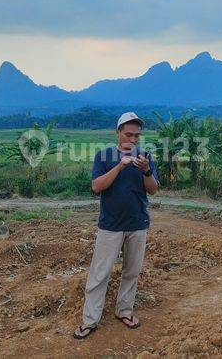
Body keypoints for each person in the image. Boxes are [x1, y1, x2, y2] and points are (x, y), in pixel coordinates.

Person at [73, 112, 158, 340]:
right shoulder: (104, 156)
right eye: (128, 134)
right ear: (118, 133)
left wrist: (146, 171)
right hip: (110, 225)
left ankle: (124, 311)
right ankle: (90, 320)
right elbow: (97, 186)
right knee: (100, 273)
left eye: (137, 136)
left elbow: (153, 189)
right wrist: (120, 166)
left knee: (131, 272)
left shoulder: (145, 158)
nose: (133, 140)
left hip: (137, 223)